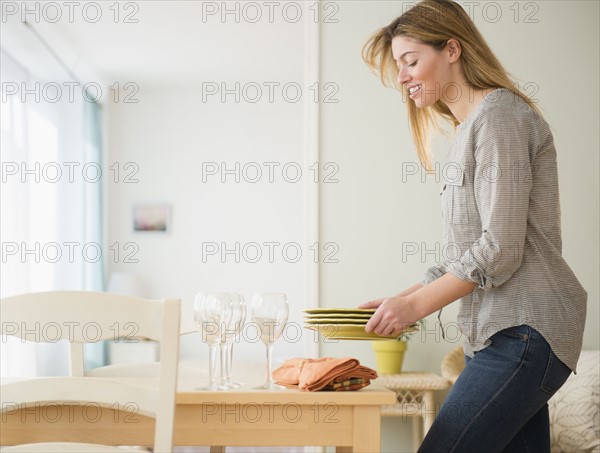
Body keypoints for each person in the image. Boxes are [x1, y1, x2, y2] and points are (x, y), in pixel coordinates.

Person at [359, 1, 587, 452]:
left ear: (452, 50)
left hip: (524, 331)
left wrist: (415, 308)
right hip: (498, 336)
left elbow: (500, 249)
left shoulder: (499, 115)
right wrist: (400, 300)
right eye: (399, 67)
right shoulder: (467, 130)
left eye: (411, 61)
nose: (402, 77)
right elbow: (463, 255)